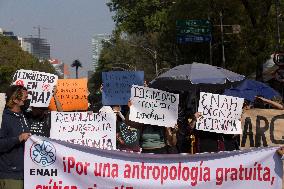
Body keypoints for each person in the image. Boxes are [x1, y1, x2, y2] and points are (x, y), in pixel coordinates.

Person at [0, 85, 31, 189]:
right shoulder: (3, 117)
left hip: (26, 174)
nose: (27, 100)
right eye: (25, 98)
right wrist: (18, 138)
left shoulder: (24, 116)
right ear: (15, 100)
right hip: (10, 175)